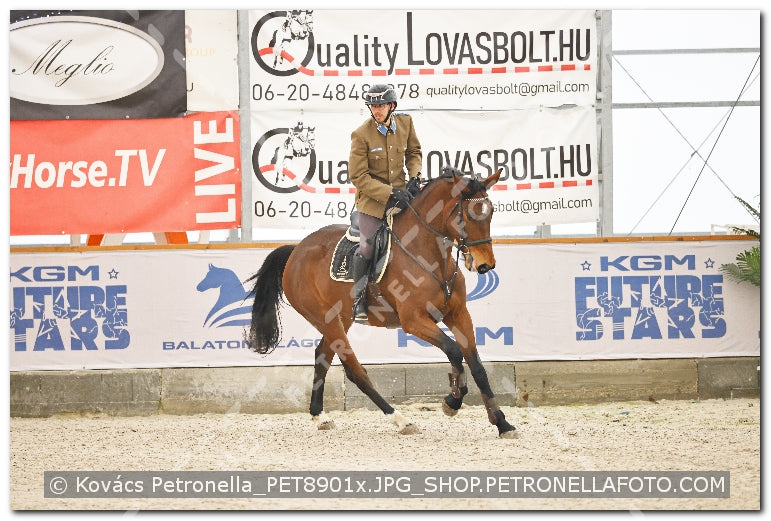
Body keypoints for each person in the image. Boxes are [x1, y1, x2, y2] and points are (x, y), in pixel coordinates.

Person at [348, 84, 423, 323]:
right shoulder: (361, 134)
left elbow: (414, 152)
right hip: (373, 203)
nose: (376, 110)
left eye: (380, 105)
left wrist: (415, 176)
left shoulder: (406, 123)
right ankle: (359, 300)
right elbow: (358, 177)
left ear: (392, 106)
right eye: (373, 106)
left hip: (404, 195)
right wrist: (390, 192)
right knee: (367, 247)